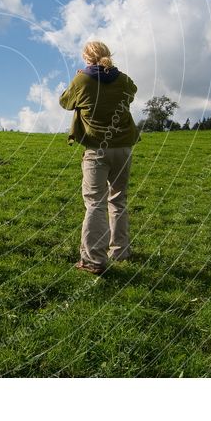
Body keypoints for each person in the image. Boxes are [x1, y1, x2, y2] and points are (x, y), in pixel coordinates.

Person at [58, 41, 139, 275]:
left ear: (86, 58)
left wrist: (80, 77)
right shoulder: (123, 79)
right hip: (123, 146)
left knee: (95, 203)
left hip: (96, 149)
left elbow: (65, 102)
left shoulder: (81, 80)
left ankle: (93, 259)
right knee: (118, 200)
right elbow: (132, 93)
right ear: (107, 55)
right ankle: (120, 251)